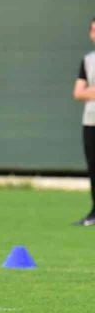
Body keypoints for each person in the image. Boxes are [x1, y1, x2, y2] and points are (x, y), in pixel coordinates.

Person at [72, 17, 95, 226]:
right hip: (91, 122)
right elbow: (78, 92)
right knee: (93, 169)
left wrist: (90, 91)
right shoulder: (88, 60)